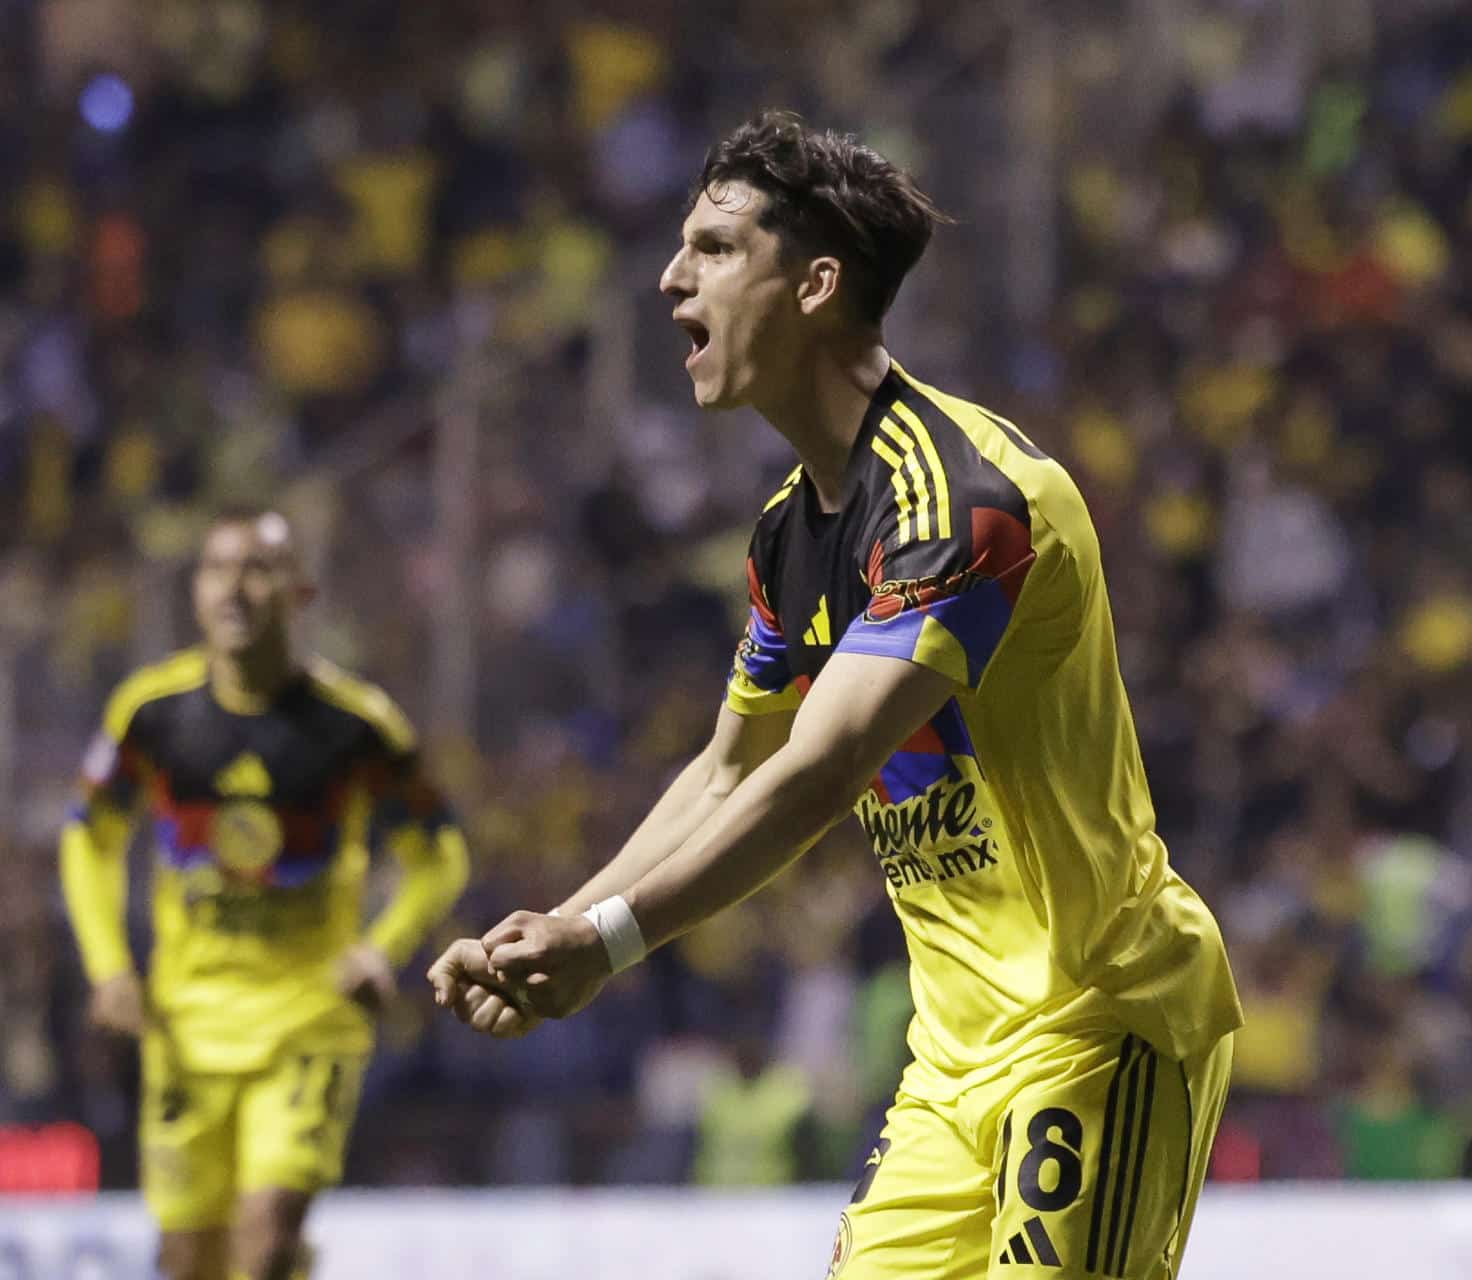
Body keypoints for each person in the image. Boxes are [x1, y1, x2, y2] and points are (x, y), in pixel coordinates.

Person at [429, 111, 1243, 1280]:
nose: (669, 279)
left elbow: (820, 767)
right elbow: (730, 764)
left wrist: (603, 944)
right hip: (950, 1062)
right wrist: (552, 929)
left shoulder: (965, 501)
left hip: (1096, 1018)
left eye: (713, 247)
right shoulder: (786, 535)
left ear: (816, 284)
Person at [62, 506, 469, 1280]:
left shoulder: (356, 726)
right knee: (188, 1258)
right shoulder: (151, 714)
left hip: (307, 1022)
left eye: (257, 568)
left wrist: (380, 950)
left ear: (301, 591)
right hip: (185, 1024)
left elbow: (439, 854)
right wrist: (109, 967)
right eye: (217, 569)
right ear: (194, 593)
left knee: (269, 1234)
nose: (235, 589)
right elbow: (90, 838)